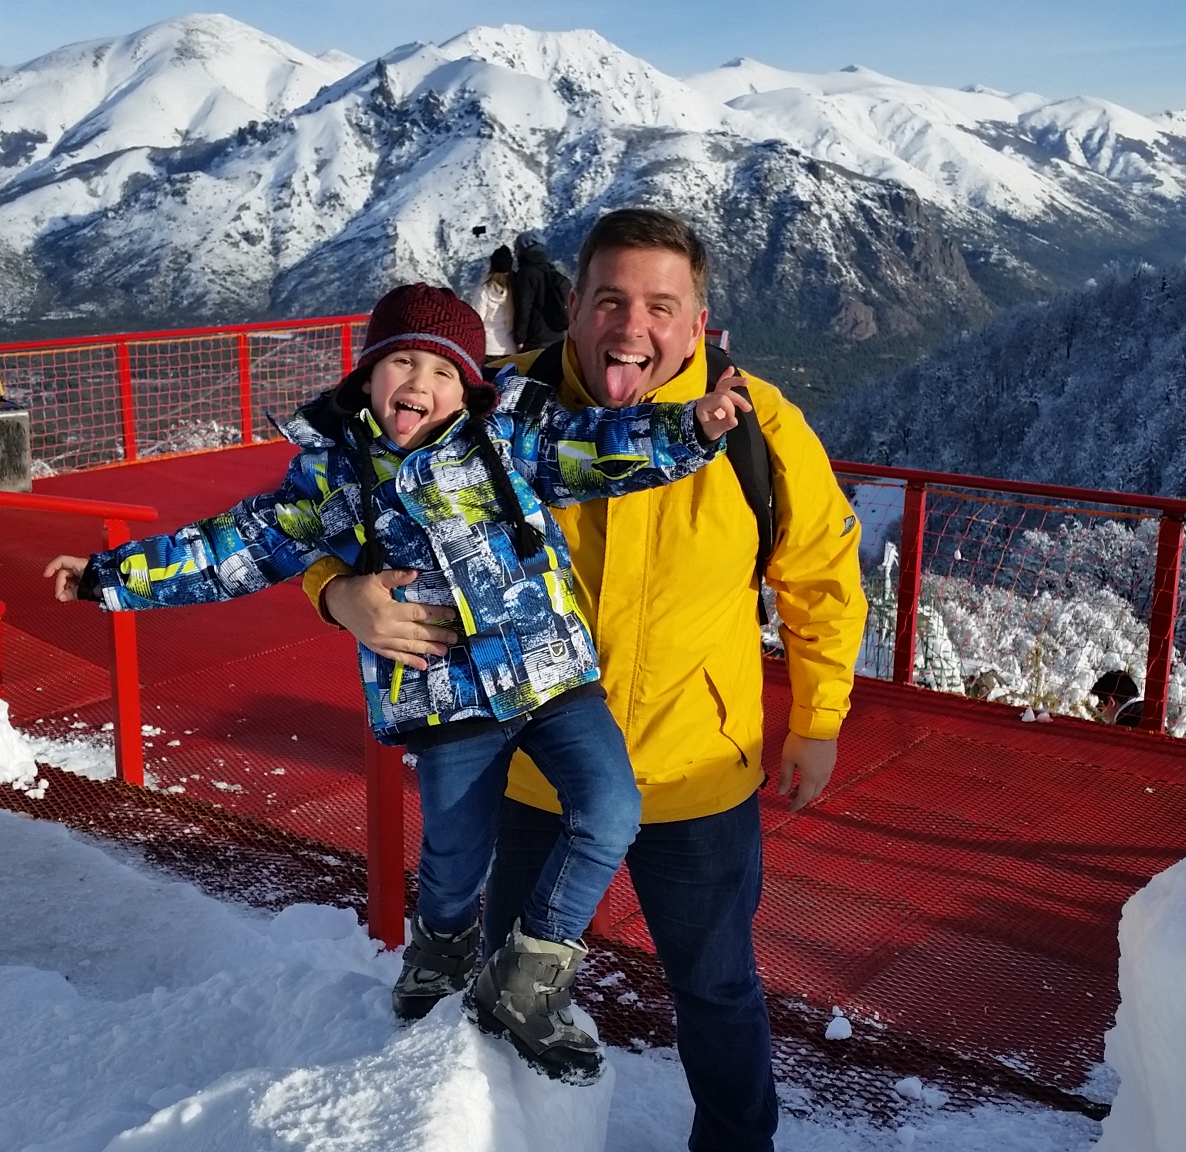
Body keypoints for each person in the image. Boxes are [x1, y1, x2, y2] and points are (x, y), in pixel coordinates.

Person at [42, 283, 751, 1084]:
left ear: (469, 386)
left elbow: (604, 444)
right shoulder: (339, 474)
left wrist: (691, 427)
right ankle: (441, 952)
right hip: (443, 694)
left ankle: (527, 976)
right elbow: (232, 546)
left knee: (611, 809)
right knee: (454, 859)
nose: (423, 383)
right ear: (369, 375)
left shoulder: (510, 437)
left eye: (444, 372)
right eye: (403, 363)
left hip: (550, 673)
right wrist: (110, 575)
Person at [304, 209, 867, 1152]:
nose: (631, 325)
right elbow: (338, 511)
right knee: (511, 983)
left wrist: (817, 719)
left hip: (694, 771)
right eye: (610, 299)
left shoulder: (757, 428)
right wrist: (340, 596)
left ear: (699, 321)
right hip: (528, 761)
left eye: (660, 304)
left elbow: (821, 579)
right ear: (574, 306)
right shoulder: (491, 408)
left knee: (718, 989)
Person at [509, 233, 572, 350]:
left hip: (536, 338)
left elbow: (524, 307)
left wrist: (519, 338)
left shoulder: (526, 273)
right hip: (557, 335)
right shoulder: (549, 269)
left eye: (516, 248)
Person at [472, 245, 518, 358]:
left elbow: (477, 318)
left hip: (489, 347)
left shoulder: (484, 289)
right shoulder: (516, 288)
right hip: (511, 346)